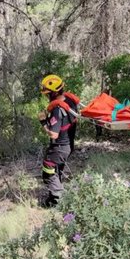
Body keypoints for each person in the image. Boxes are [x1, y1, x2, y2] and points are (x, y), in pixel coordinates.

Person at [38, 75, 77, 207]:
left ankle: (59, 200)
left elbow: (54, 134)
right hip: (68, 146)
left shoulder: (57, 110)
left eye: (47, 94)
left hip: (59, 147)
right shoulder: (70, 102)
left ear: (54, 93)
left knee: (48, 171)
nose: (46, 96)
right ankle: (52, 201)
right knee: (57, 171)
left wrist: (43, 122)